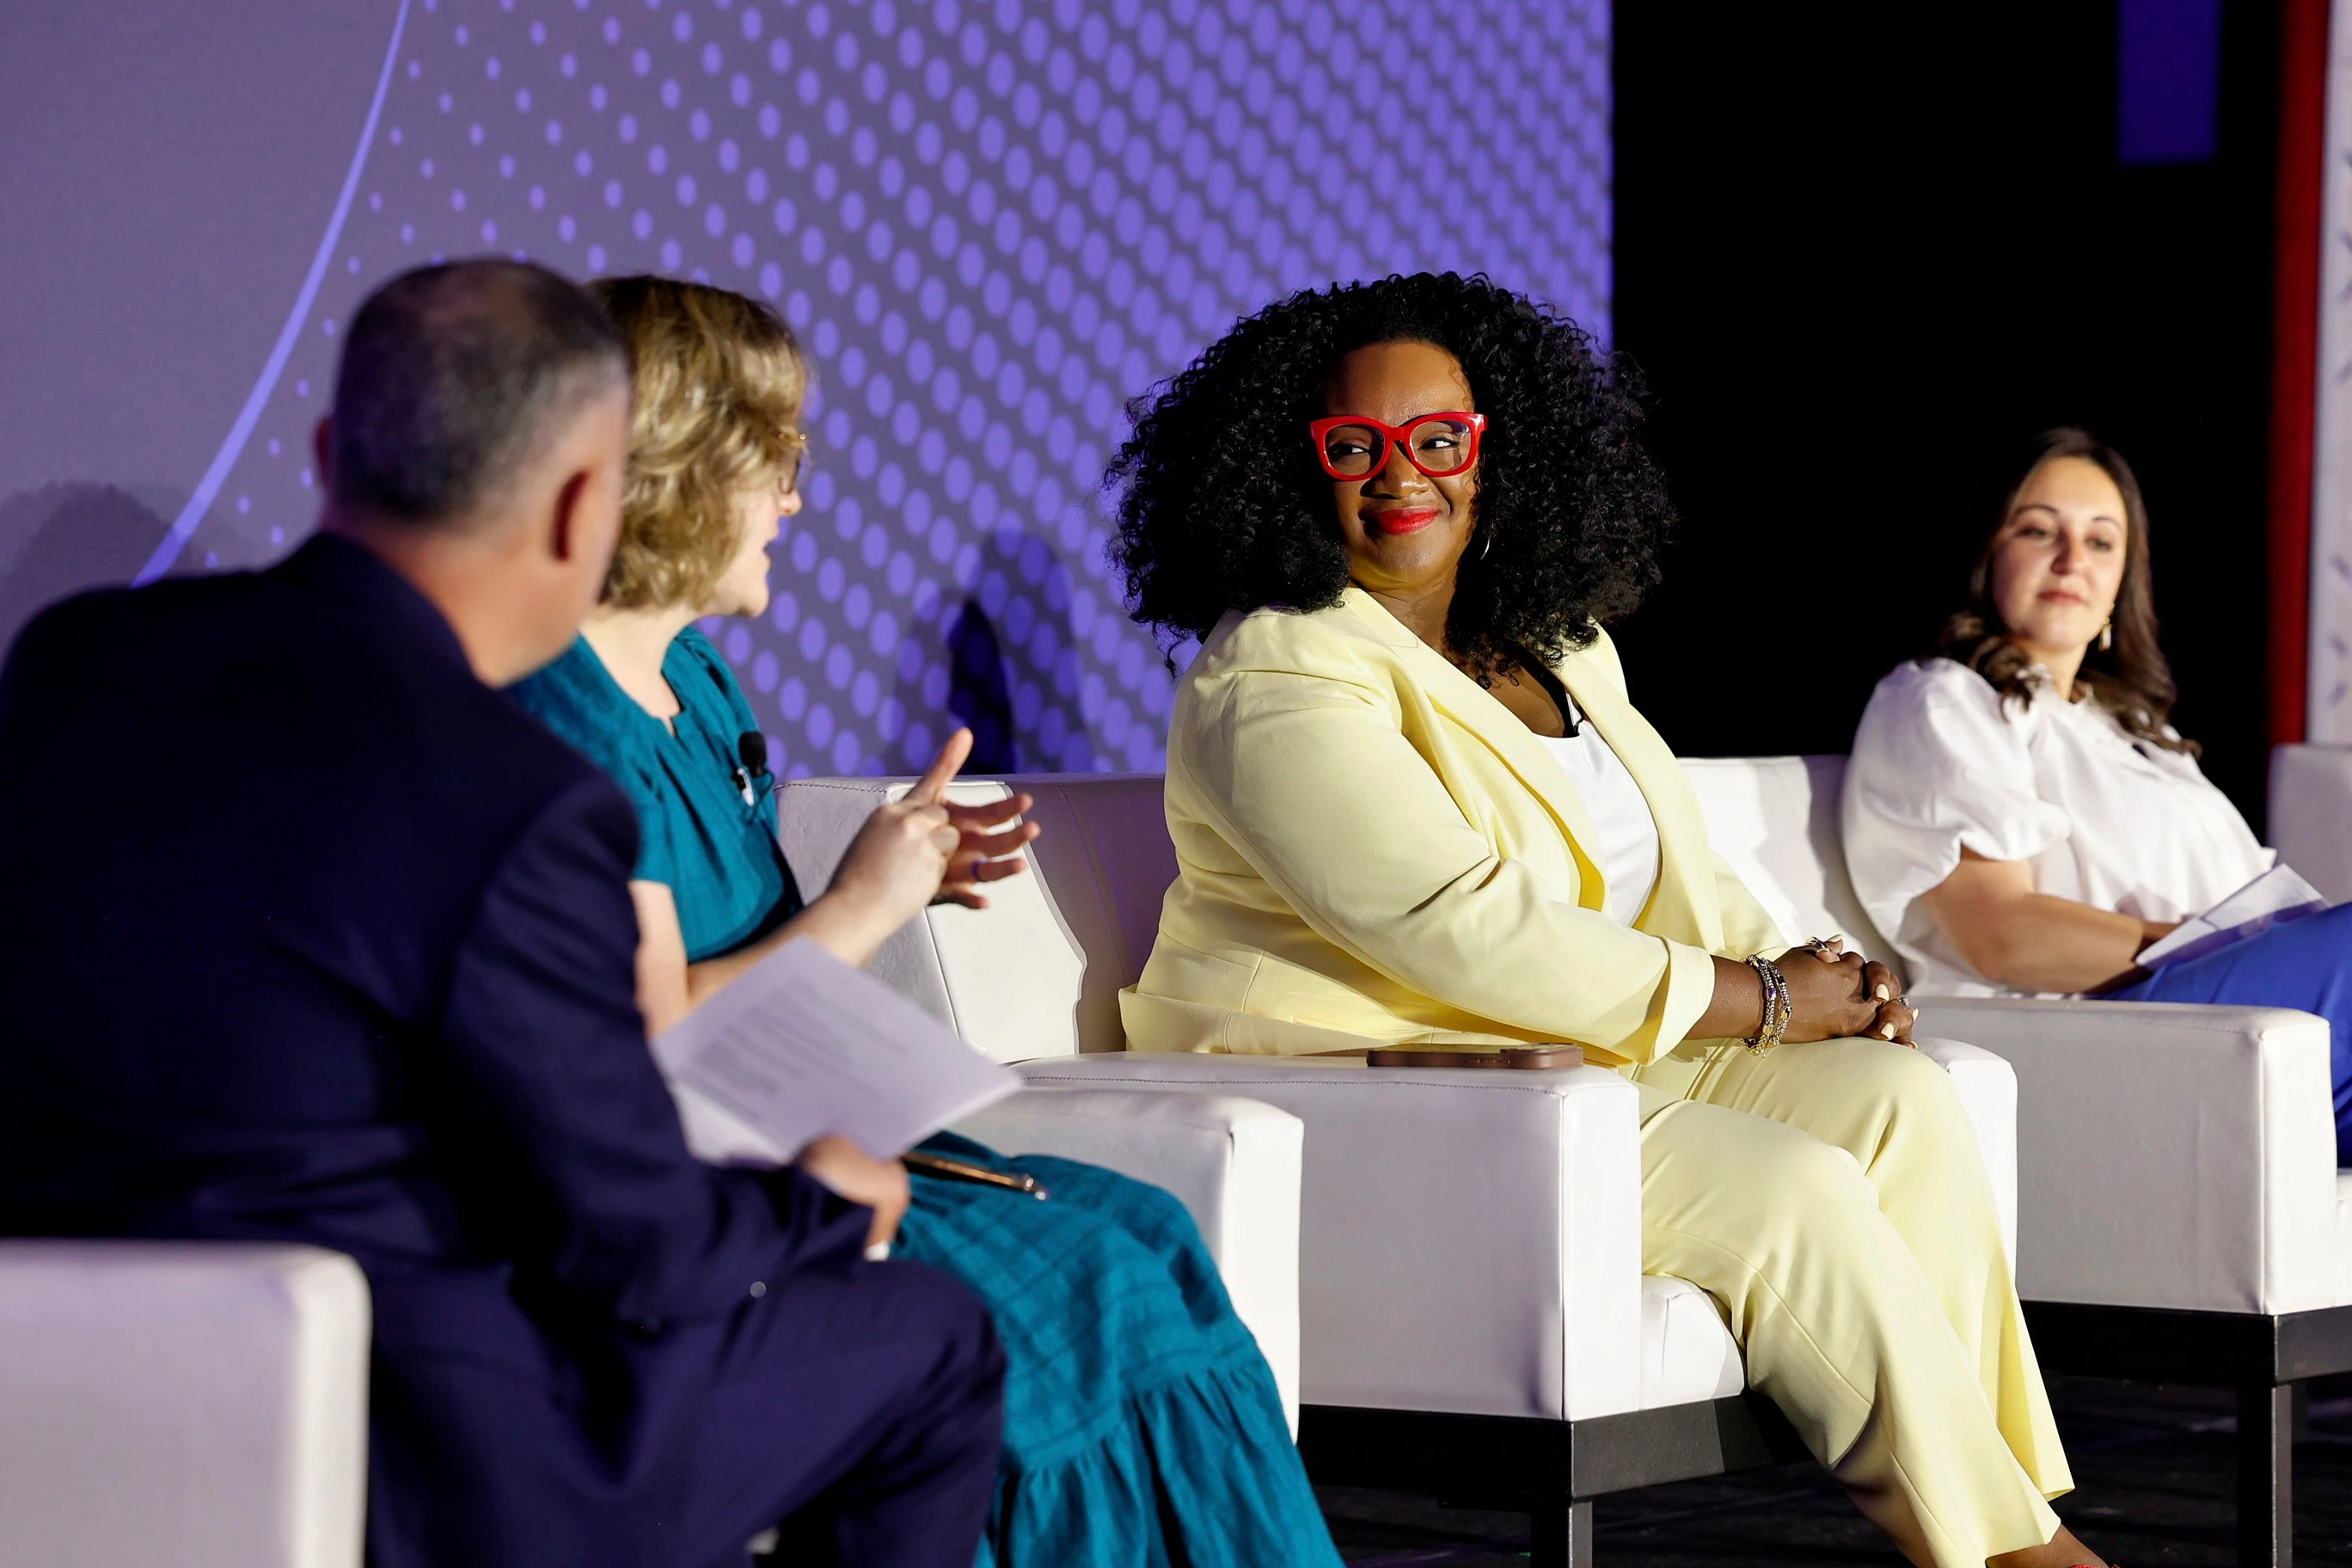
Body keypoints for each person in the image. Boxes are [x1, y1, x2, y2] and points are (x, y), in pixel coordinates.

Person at [0, 260, 1006, 1568]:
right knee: (932, 1340)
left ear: (327, 451)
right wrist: (815, 1203)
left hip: (55, 1373)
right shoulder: (518, 794)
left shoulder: (78, 659)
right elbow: (637, 1244)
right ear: (593, 502)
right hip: (407, 1435)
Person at [1107, 272, 2105, 1568]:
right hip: (1389, 1089)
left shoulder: (1557, 642)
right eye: (1353, 444)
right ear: (1293, 468)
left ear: (1495, 450)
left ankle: (2015, 1517)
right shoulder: (1276, 670)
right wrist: (1755, 998)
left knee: (1905, 1102)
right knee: (1792, 1191)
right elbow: (1456, 925)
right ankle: (2013, 1563)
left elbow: (1680, 858)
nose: (1398, 474)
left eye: (1438, 440)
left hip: (1571, 1063)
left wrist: (1832, 986)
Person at [508, 274, 1342, 1568]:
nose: (792, 499)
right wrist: (860, 904)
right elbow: (650, 1031)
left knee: (1149, 1235)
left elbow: (752, 936)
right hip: (704, 1183)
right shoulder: (560, 713)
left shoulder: (691, 674)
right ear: (677, 464)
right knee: (1077, 1296)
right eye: (774, 460)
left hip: (802, 1130)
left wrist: (906, 869)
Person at [1844, 427, 2352, 1156]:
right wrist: (2212, 943)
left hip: (2237, 1019)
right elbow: (1999, 932)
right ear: (1990, 552)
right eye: (2037, 529)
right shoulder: (1942, 701)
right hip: (2096, 1025)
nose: (2072, 560)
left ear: (2124, 579)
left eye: (2101, 542)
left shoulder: (2129, 726)